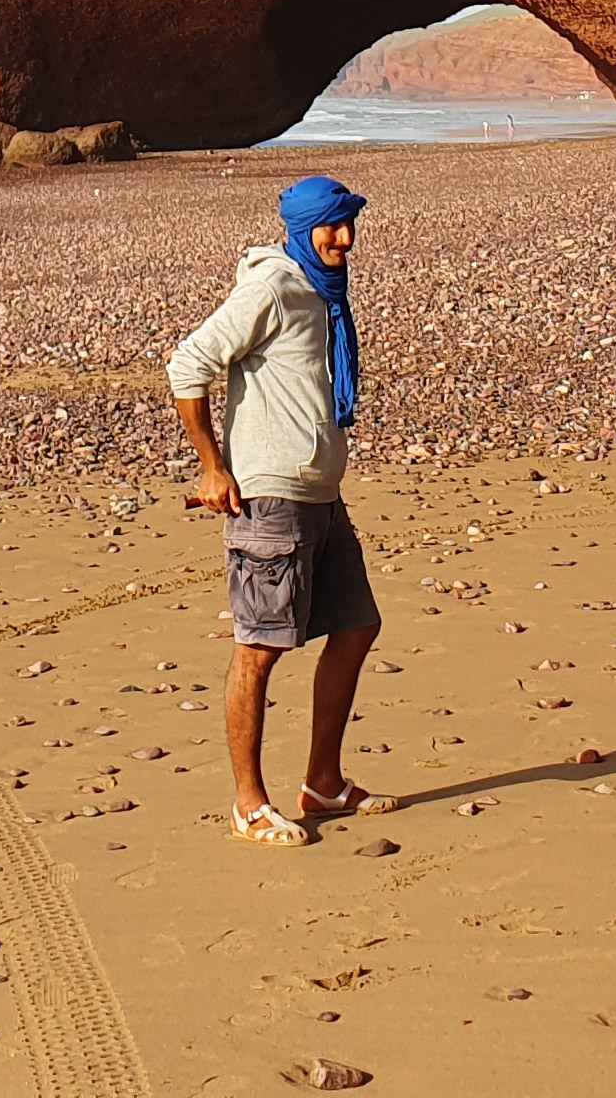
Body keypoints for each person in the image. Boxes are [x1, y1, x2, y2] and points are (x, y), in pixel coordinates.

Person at [167, 173, 385, 845]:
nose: (343, 238)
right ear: (302, 228)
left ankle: (322, 783)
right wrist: (211, 467)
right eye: (331, 226)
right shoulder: (271, 287)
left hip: (321, 496)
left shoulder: (324, 294)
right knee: (259, 650)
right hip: (270, 502)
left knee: (356, 628)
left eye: (349, 224)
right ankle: (248, 802)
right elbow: (187, 365)